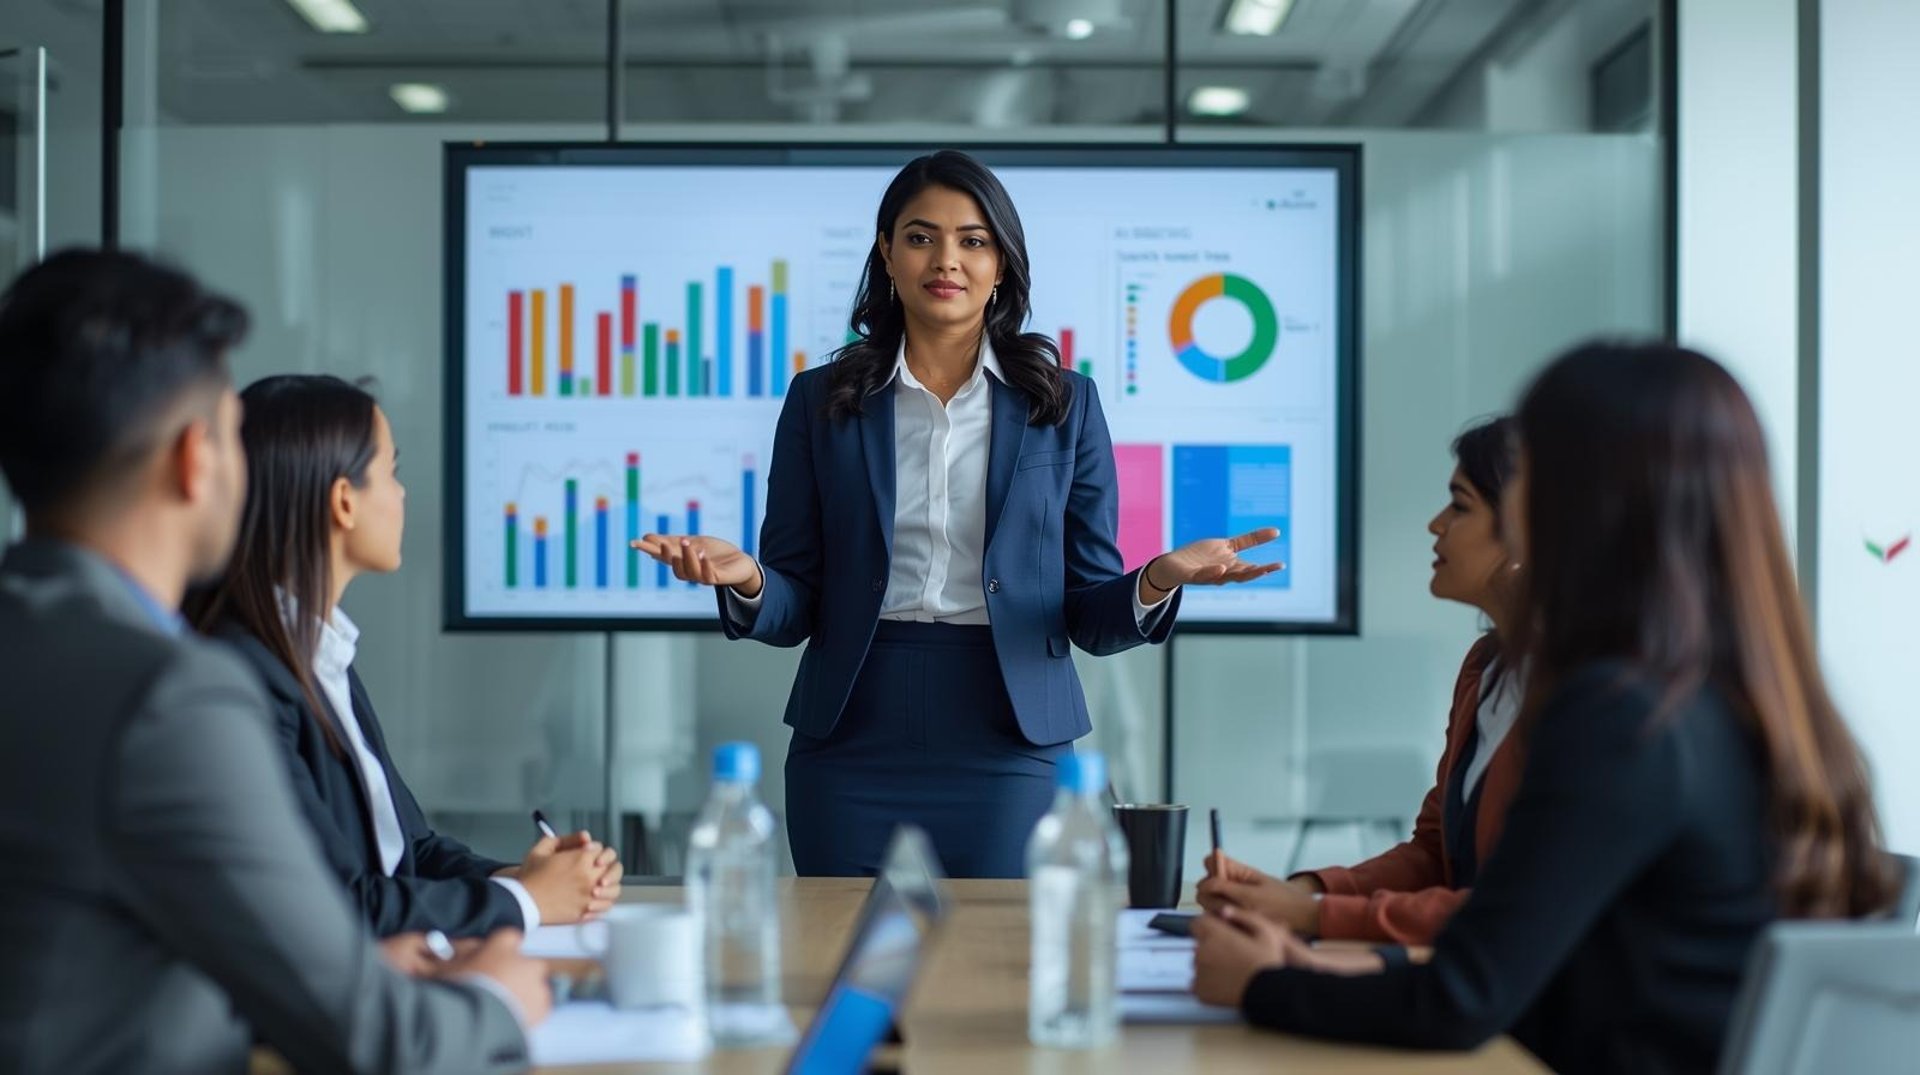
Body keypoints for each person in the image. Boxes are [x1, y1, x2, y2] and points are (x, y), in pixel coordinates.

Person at [1190, 342, 1896, 1074]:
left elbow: (1465, 994)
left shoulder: (1621, 714)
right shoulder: (1724, 693)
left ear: (1584, 498)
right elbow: (1535, 965)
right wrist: (1315, 962)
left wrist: (1262, 984)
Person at [632, 150, 1280, 877]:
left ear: (1001, 263)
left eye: (973, 240)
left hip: (1009, 739)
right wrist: (750, 580)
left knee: (1002, 946)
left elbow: (1090, 616)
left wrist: (1159, 577)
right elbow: (795, 605)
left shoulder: (1064, 405)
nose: (946, 260)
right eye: (921, 237)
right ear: (886, 252)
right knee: (839, 942)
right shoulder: (821, 401)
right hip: (850, 736)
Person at [0, 250, 548, 1074]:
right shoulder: (169, 697)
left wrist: (335, 965)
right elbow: (377, 1041)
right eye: (233, 436)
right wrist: (499, 997)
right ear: (196, 458)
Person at [188, 374, 622, 938]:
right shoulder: (247, 676)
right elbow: (338, 905)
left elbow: (410, 849)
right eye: (390, 473)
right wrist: (527, 901)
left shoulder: (320, 653)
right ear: (344, 501)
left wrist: (524, 880)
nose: (402, 495)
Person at [1199, 417, 1527, 945]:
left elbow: (1517, 911)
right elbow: (1434, 853)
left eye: (1460, 506)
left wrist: (1312, 916)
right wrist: (1301, 892)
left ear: (1524, 533)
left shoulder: (1590, 699)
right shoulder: (1485, 669)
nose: (1436, 524)